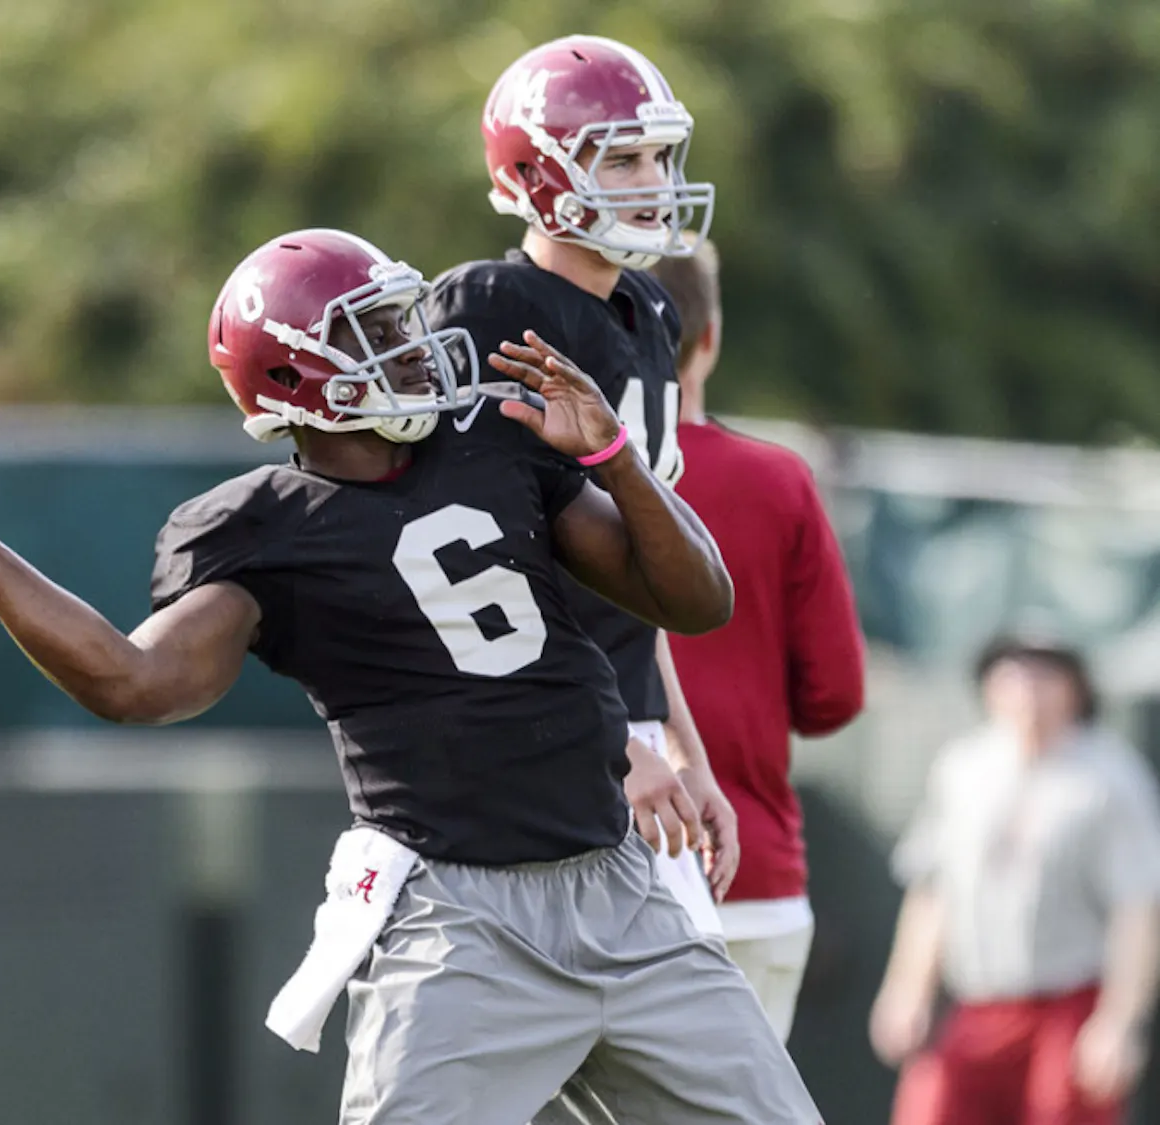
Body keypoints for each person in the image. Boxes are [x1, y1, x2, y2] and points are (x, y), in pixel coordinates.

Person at [0, 227, 822, 1123]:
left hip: (624, 888)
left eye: (404, 318)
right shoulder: (266, 529)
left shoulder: (495, 440)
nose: (415, 345)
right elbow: (134, 680)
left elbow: (696, 600)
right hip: (462, 925)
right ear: (297, 375)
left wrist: (613, 458)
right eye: (378, 331)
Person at [425, 34, 738, 927]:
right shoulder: (493, 308)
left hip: (621, 731)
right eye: (624, 158)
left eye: (659, 156)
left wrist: (686, 749)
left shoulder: (649, 309)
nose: (654, 180)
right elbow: (496, 558)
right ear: (538, 173)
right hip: (532, 729)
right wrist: (612, 743)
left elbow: (642, 570)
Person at [651, 235, 866, 1040]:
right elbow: (836, 693)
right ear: (708, 339)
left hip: (587, 884)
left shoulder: (544, 475)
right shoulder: (776, 479)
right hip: (752, 873)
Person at [870, 634, 1160, 1125]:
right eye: (1014, 673)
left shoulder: (1110, 779)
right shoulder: (963, 769)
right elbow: (933, 893)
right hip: (979, 1005)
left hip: (1068, 1007)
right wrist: (907, 989)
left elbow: (1137, 909)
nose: (1027, 689)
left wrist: (1118, 1022)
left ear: (1075, 689)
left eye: (1044, 674)